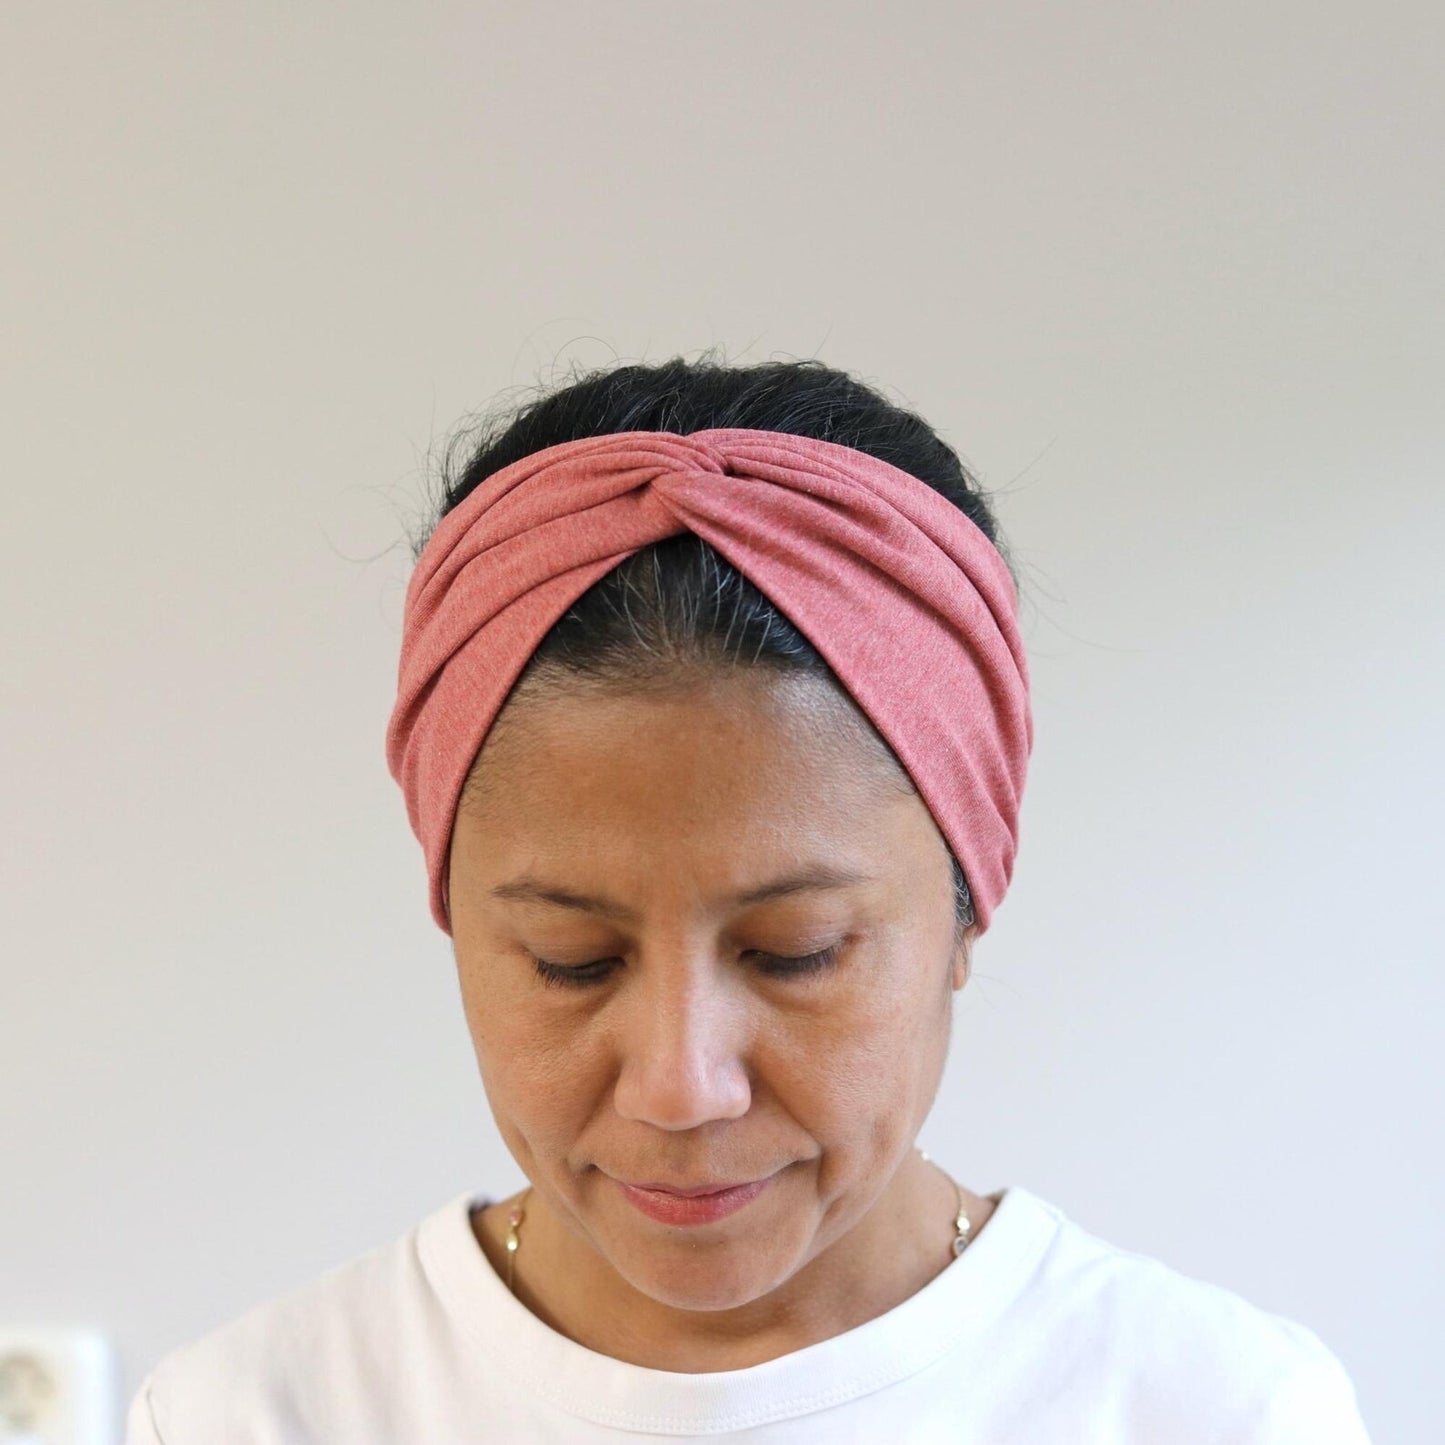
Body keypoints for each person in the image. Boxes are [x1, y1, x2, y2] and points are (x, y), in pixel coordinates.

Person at [125, 354, 1372, 1442]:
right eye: (571, 957)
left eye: (795, 950)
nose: (680, 1083)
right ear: (452, 905)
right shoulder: (255, 1414)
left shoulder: (1210, 1412)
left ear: (965, 905)